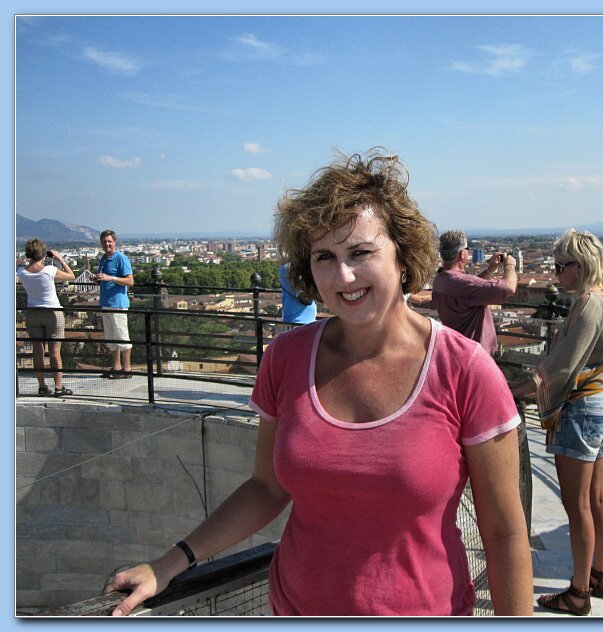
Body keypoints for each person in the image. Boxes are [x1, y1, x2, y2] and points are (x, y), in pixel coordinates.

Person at [105, 149, 533, 616]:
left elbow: (504, 533)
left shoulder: (465, 371)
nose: (343, 276)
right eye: (325, 257)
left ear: (404, 255)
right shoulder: (286, 359)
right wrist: (170, 563)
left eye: (361, 252)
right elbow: (266, 488)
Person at [511, 228, 603, 616]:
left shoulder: (590, 304)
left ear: (581, 266)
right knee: (596, 497)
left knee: (576, 505)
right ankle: (596, 574)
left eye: (561, 267)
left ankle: (578, 594)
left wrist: (521, 388)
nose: (557, 274)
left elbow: (561, 367)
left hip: (583, 408)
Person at [432, 230, 517, 354]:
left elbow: (469, 292)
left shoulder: (440, 280)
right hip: (475, 354)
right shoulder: (463, 284)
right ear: (462, 254)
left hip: (457, 349)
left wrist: (490, 270)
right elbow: (509, 288)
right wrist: (510, 266)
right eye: (467, 248)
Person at [16, 239, 76, 396]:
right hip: (52, 312)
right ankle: (58, 386)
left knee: (38, 350)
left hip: (33, 312)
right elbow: (71, 276)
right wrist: (60, 259)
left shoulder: (21, 272)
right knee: (55, 351)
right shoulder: (49, 270)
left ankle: (42, 386)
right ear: (43, 254)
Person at [94, 229, 134, 378]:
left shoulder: (121, 258)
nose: (107, 244)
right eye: (104, 242)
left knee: (122, 335)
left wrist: (111, 278)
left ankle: (127, 369)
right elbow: (105, 280)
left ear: (115, 242)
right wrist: (98, 279)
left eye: (109, 241)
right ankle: (116, 367)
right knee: (111, 336)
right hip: (106, 302)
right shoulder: (103, 259)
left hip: (118, 303)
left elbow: (130, 281)